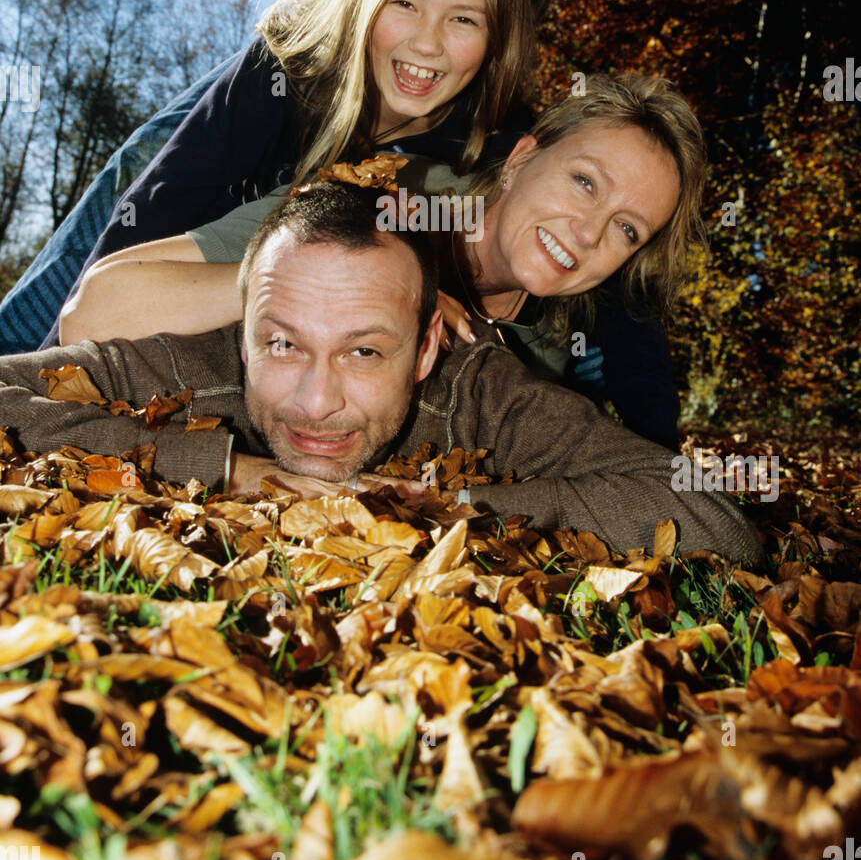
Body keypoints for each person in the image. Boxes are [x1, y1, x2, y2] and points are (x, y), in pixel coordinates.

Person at [0, 181, 762, 565]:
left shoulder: (476, 389)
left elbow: (712, 513)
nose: (314, 401)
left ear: (428, 347)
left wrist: (448, 504)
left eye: (365, 351)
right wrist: (229, 469)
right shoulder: (198, 360)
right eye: (284, 344)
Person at [8, 0, 535, 353]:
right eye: (404, 3)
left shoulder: (491, 152)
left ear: (498, 37)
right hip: (171, 272)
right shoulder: (281, 74)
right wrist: (49, 384)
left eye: (464, 19)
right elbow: (145, 227)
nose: (427, 43)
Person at [60, 75, 701, 452]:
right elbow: (92, 311)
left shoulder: (555, 342)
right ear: (522, 158)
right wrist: (315, 286)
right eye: (585, 182)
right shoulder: (389, 198)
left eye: (626, 228)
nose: (590, 233)